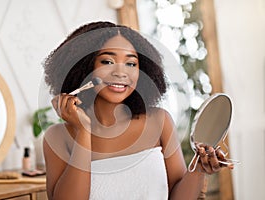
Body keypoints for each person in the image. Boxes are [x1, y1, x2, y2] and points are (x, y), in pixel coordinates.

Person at [42, 21, 233, 200]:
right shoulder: (58, 137)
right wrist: (84, 132)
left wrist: (198, 169)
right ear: (83, 67)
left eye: (131, 63)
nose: (120, 72)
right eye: (107, 61)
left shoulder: (159, 121)